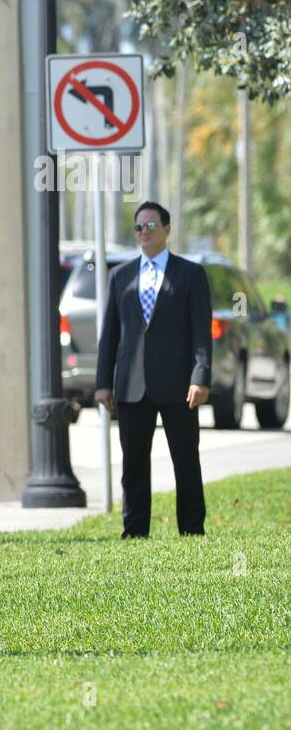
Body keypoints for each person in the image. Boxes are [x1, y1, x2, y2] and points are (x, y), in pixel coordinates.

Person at [95, 201, 212, 537]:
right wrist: (104, 383)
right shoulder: (120, 276)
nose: (143, 232)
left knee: (185, 459)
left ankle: (192, 528)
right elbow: (110, 335)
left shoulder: (190, 274)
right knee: (133, 462)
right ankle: (134, 530)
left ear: (167, 230)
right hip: (131, 385)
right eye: (138, 227)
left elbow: (201, 332)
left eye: (150, 226)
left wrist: (200, 376)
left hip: (178, 384)